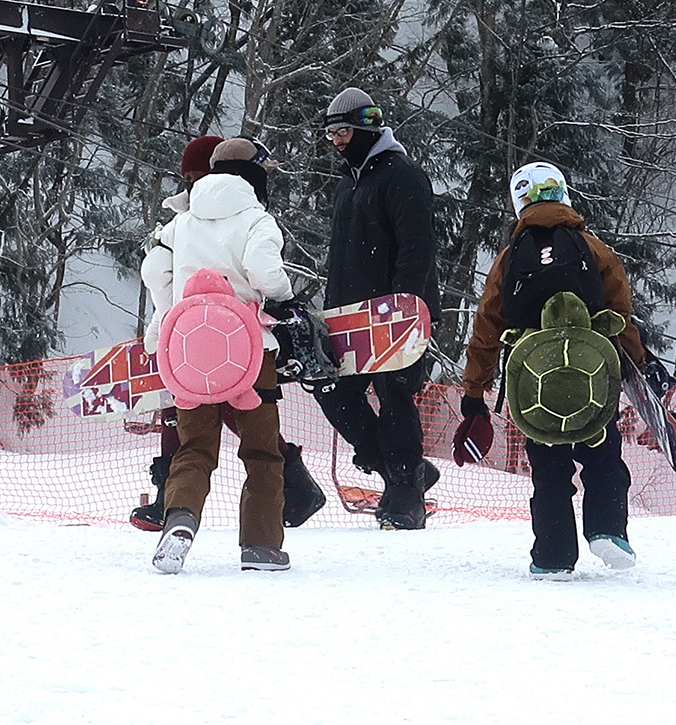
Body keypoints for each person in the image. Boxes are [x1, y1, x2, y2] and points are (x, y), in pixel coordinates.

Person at [457, 162, 646, 579]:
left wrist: (475, 392)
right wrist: (638, 366)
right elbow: (621, 314)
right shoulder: (594, 248)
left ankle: (554, 555)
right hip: (593, 373)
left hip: (533, 380)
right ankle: (607, 530)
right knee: (603, 455)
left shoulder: (509, 258)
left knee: (549, 468)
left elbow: (487, 327)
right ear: (564, 195)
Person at [134, 135, 326, 532]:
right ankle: (261, 542)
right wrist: (283, 301)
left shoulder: (180, 222)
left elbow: (154, 270)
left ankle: (178, 519)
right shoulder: (256, 218)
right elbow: (263, 269)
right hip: (247, 348)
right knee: (260, 453)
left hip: (186, 348)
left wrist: (167, 317)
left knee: (194, 449)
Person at [314, 87, 441, 530]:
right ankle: (398, 472)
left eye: (344, 131)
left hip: (396, 312)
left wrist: (404, 306)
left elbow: (417, 248)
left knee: (394, 394)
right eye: (331, 134)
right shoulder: (350, 183)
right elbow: (341, 258)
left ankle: (406, 494)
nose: (337, 141)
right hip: (349, 314)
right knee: (334, 392)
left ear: (368, 127)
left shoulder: (400, 174)